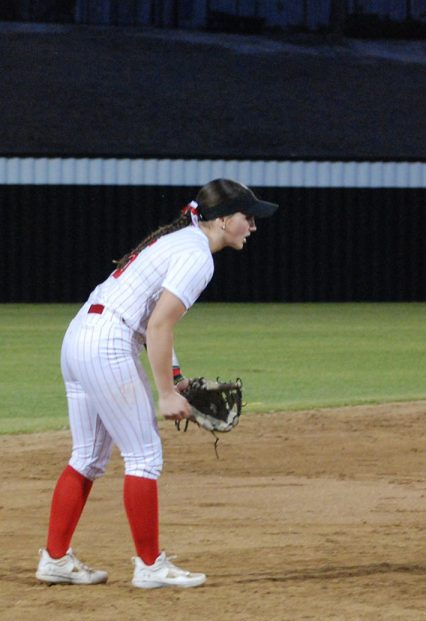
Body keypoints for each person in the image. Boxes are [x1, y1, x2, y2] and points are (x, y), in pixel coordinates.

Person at [36, 179, 278, 589]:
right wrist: (165, 394)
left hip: (81, 335)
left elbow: (149, 317)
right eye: (246, 217)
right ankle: (151, 566)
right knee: (144, 455)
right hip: (108, 342)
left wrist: (176, 379)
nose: (252, 226)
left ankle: (56, 558)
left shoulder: (181, 241)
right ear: (221, 220)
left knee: (88, 457)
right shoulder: (197, 255)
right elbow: (159, 323)